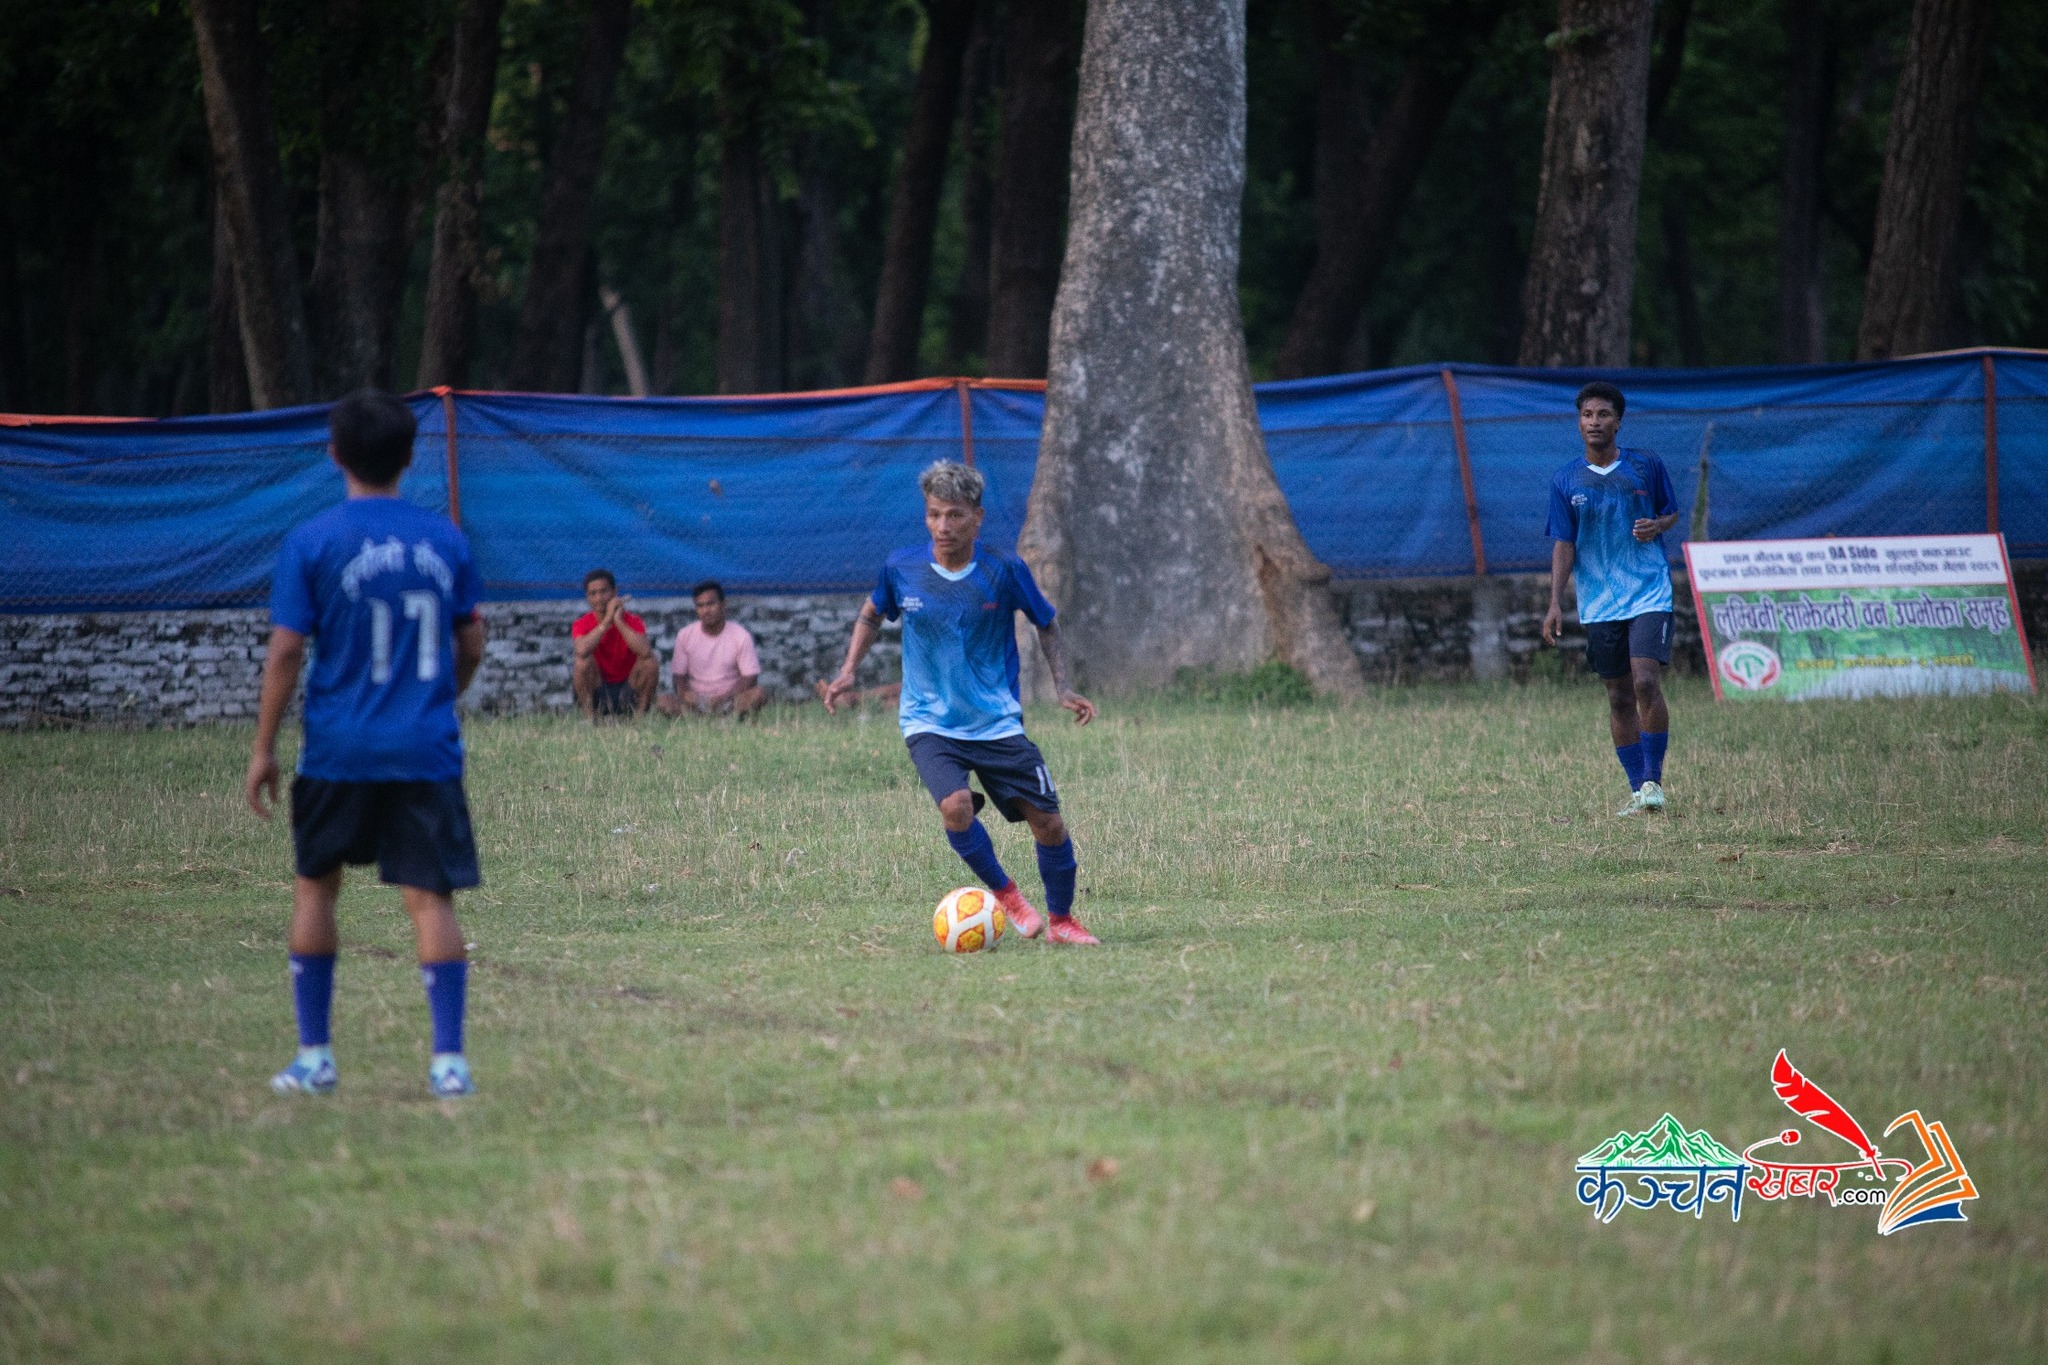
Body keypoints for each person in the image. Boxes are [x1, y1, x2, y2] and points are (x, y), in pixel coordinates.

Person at [244, 388, 487, 1099]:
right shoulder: (445, 539)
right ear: (411, 457)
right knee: (430, 898)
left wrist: (263, 746)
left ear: (334, 453)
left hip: (337, 751)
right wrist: (442, 695)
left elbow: (287, 651)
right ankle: (449, 1064)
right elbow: (471, 640)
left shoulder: (312, 541)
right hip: (423, 748)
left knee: (316, 887)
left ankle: (315, 1055)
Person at [825, 460, 1102, 945]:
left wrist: (1062, 687)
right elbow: (871, 615)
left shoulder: (1004, 570)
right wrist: (849, 670)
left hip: (996, 724)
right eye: (933, 515)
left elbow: (1046, 622)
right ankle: (1008, 896)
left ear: (978, 516)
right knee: (955, 807)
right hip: (928, 721)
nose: (942, 527)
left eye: (954, 515)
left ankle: (1061, 921)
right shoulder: (901, 568)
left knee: (1049, 823)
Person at [1541, 381, 1681, 816]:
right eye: (1587, 415)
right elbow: (1564, 544)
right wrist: (1554, 602)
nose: (1594, 422)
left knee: (1644, 682)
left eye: (1603, 415)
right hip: (1599, 601)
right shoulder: (1566, 480)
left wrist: (1657, 527)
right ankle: (1638, 791)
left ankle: (1654, 781)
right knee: (1619, 696)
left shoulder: (1645, 465)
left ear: (1618, 422)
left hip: (1648, 592)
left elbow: (1670, 512)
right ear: (1578, 423)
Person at [658, 580, 767, 718]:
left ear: (723, 605)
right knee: (663, 701)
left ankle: (726, 718)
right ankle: (700, 719)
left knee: (759, 694)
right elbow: (679, 676)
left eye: (711, 604)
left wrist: (725, 698)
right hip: (697, 703)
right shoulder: (685, 635)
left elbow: (750, 676)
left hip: (730, 701)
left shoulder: (741, 636)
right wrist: (685, 694)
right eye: (700, 606)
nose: (706, 610)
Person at [571, 569, 656, 718]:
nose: (599, 598)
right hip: (599, 688)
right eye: (593, 594)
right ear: (587, 597)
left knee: (650, 662)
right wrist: (606, 622)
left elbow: (645, 652)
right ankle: (591, 719)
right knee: (581, 663)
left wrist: (619, 622)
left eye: (604, 591)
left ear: (615, 592)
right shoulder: (582, 623)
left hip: (629, 687)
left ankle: (640, 719)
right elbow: (582, 650)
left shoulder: (633, 620)